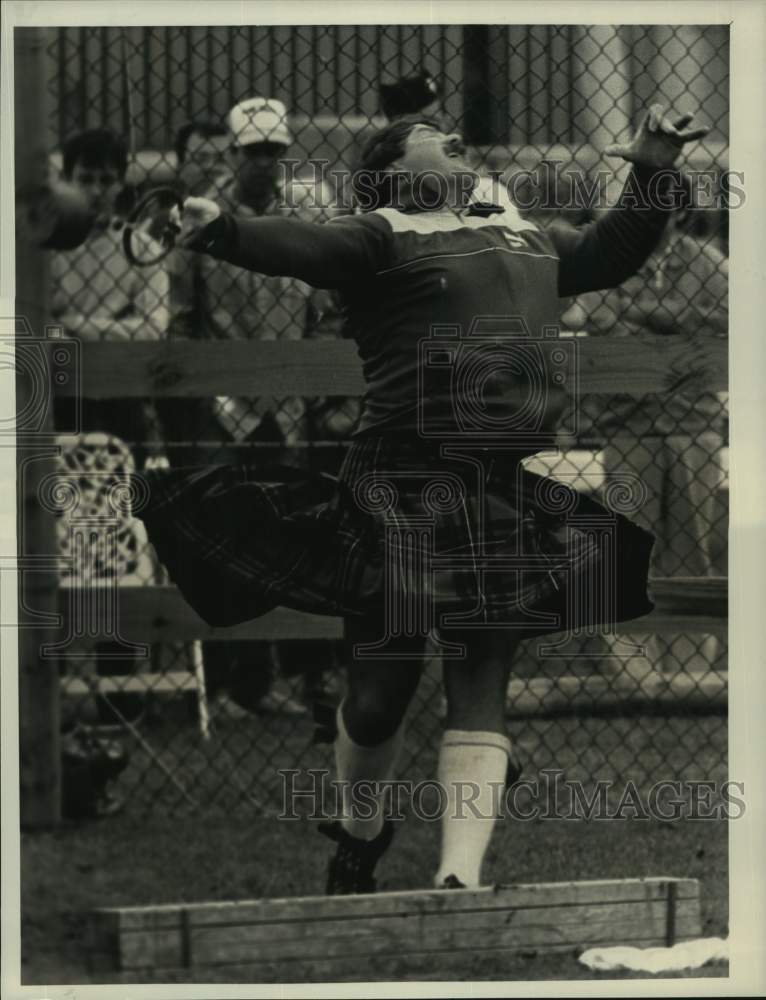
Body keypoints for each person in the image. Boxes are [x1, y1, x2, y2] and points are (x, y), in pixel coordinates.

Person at [133, 103, 709, 894]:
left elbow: (611, 253)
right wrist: (219, 227)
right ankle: (360, 833)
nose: (462, 142)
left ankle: (457, 881)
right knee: (377, 698)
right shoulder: (381, 232)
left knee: (480, 674)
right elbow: (301, 245)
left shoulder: (517, 229)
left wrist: (651, 169)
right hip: (401, 482)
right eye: (441, 138)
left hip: (497, 485)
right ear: (397, 172)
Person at [170, 97, 342, 716]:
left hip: (293, 398)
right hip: (225, 401)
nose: (266, 163)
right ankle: (235, 679)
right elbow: (184, 322)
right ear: (237, 154)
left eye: (275, 151)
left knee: (302, 535)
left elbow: (324, 311)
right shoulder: (200, 222)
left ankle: (306, 672)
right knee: (229, 534)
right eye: (255, 152)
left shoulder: (304, 219)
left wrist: (313, 384)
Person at [561, 188, 728, 677]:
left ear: (678, 213)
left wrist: (651, 314)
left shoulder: (708, 262)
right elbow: (598, 319)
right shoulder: (610, 257)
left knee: (690, 546)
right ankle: (630, 667)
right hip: (627, 424)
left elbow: (729, 321)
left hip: (692, 423)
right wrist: (673, 328)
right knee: (626, 545)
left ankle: (690, 668)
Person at [51, 127, 171, 724]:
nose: (96, 190)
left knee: (116, 537)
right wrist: (106, 323)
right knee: (51, 539)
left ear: (121, 180)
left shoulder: (139, 245)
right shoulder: (41, 245)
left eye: (106, 178)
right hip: (54, 407)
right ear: (65, 178)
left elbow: (152, 329)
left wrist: (73, 327)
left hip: (119, 405)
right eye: (85, 178)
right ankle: (41, 690)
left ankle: (117, 695)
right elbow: (31, 323)